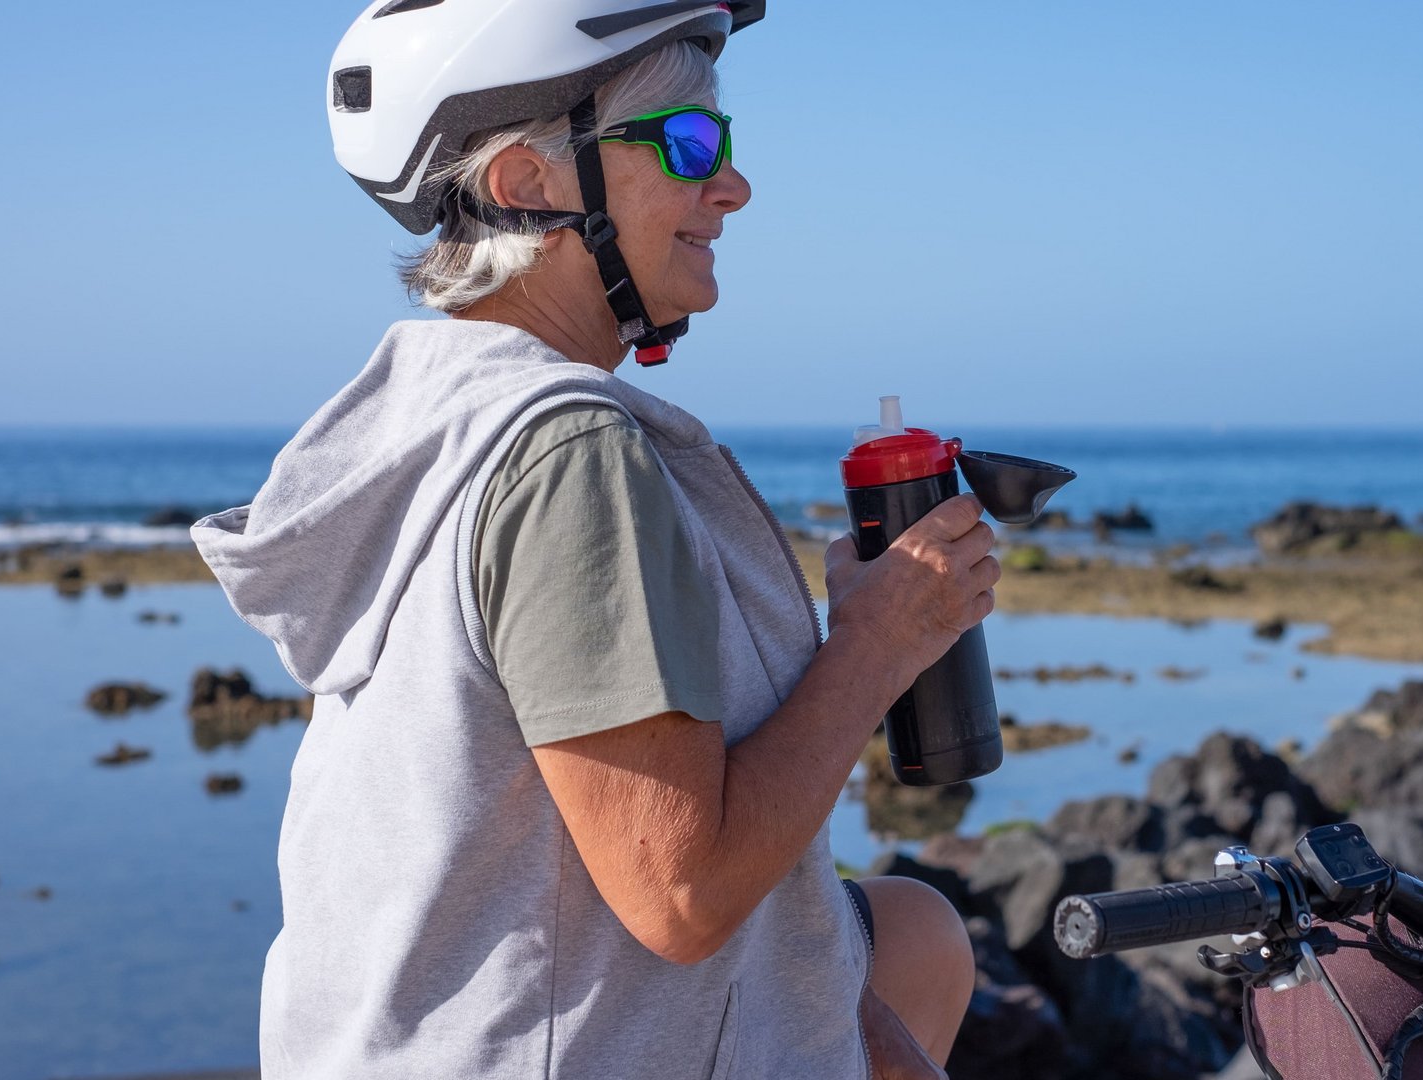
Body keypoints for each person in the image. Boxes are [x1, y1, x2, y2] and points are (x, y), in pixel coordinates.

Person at [192, 2, 989, 1077]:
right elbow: (680, 894)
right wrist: (881, 643)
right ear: (530, 182)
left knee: (914, 937)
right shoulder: (568, 452)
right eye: (689, 142)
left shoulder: (424, 419)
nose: (733, 185)